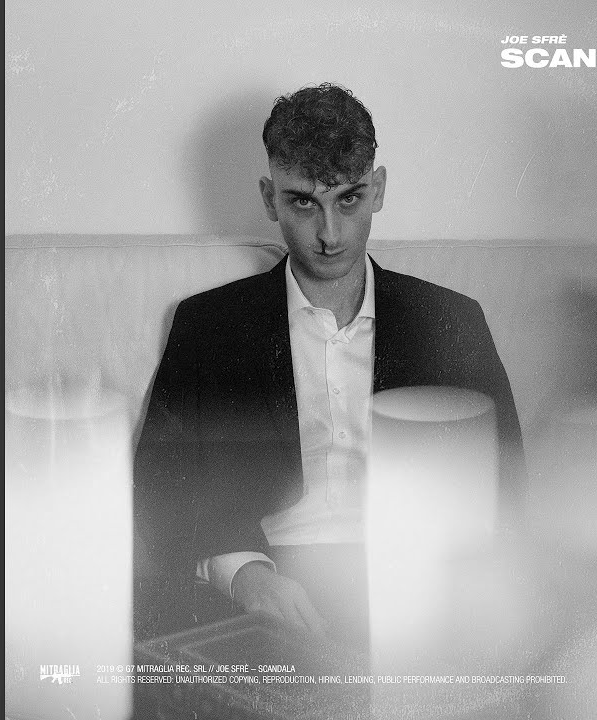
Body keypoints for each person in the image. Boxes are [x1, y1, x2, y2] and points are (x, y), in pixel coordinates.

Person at [133, 82, 524, 648]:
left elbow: (507, 481)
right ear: (270, 199)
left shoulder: (450, 320)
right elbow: (156, 490)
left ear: (378, 190)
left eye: (348, 199)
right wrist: (245, 576)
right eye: (302, 203)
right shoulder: (208, 325)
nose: (329, 234)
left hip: (420, 584)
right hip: (266, 579)